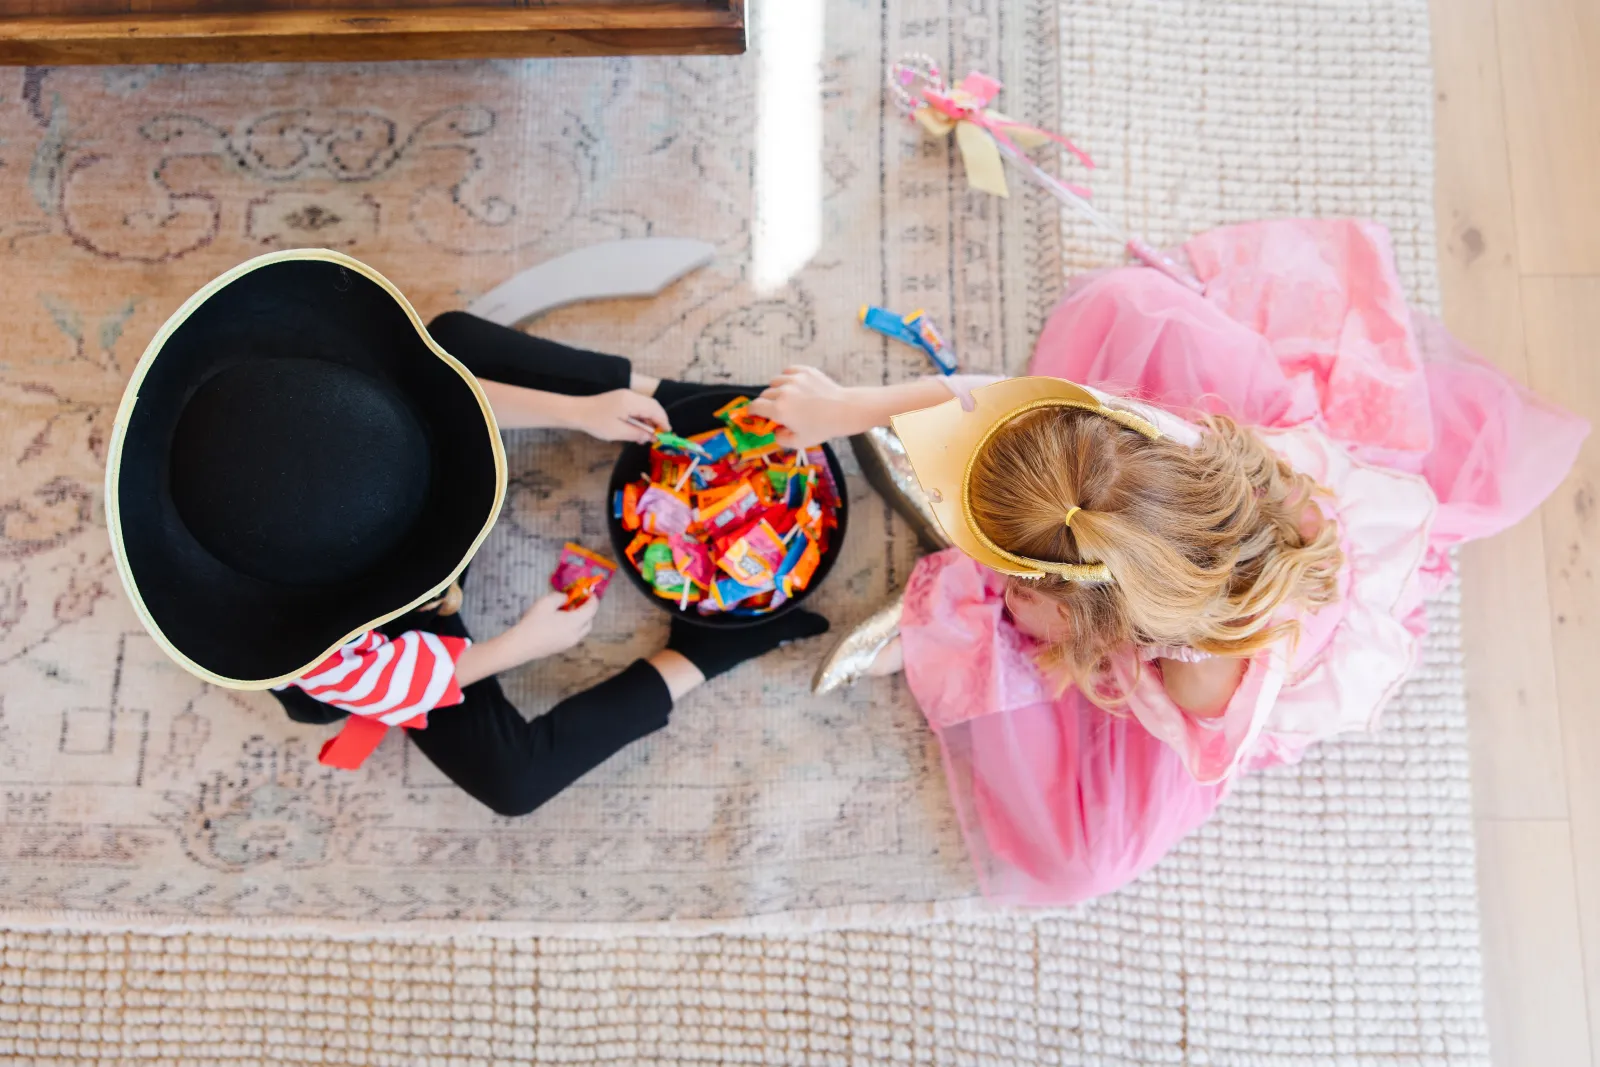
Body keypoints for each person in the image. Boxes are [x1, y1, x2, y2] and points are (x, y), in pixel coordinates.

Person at [748, 218, 1588, 905]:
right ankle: (977, 559)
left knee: (1084, 855)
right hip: (1176, 541)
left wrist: (1035, 626)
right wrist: (846, 406)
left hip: (1185, 635)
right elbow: (993, 398)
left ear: (1083, 617)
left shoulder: (1193, 677)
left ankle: (949, 614)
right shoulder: (1163, 442)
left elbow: (1101, 656)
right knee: (1130, 309)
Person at [106, 249, 825, 821]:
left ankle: (675, 402)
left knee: (446, 340)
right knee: (513, 780)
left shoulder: (284, 404)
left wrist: (581, 409)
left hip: (377, 470)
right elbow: (394, 684)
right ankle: (703, 651)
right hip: (381, 639)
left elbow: (448, 397)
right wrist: (523, 645)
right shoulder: (311, 646)